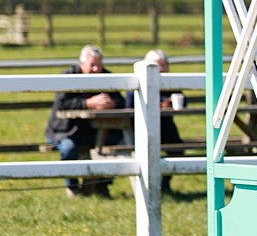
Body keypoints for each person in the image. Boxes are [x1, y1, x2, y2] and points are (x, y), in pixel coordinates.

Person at [45, 45, 125, 198]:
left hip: (95, 130)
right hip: (65, 131)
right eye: (92, 65)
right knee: (69, 148)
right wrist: (88, 103)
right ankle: (72, 186)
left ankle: (101, 185)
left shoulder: (107, 76)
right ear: (81, 64)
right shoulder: (68, 76)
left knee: (114, 143)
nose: (96, 69)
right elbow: (62, 104)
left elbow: (120, 100)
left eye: (99, 65)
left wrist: (112, 103)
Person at [125, 49, 184, 194]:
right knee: (149, 152)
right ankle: (151, 187)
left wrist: (170, 104)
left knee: (178, 150)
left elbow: (183, 99)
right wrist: (155, 104)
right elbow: (130, 105)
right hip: (142, 127)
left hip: (166, 127)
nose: (162, 68)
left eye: (164, 65)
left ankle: (164, 183)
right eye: (158, 65)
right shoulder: (137, 82)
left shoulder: (171, 82)